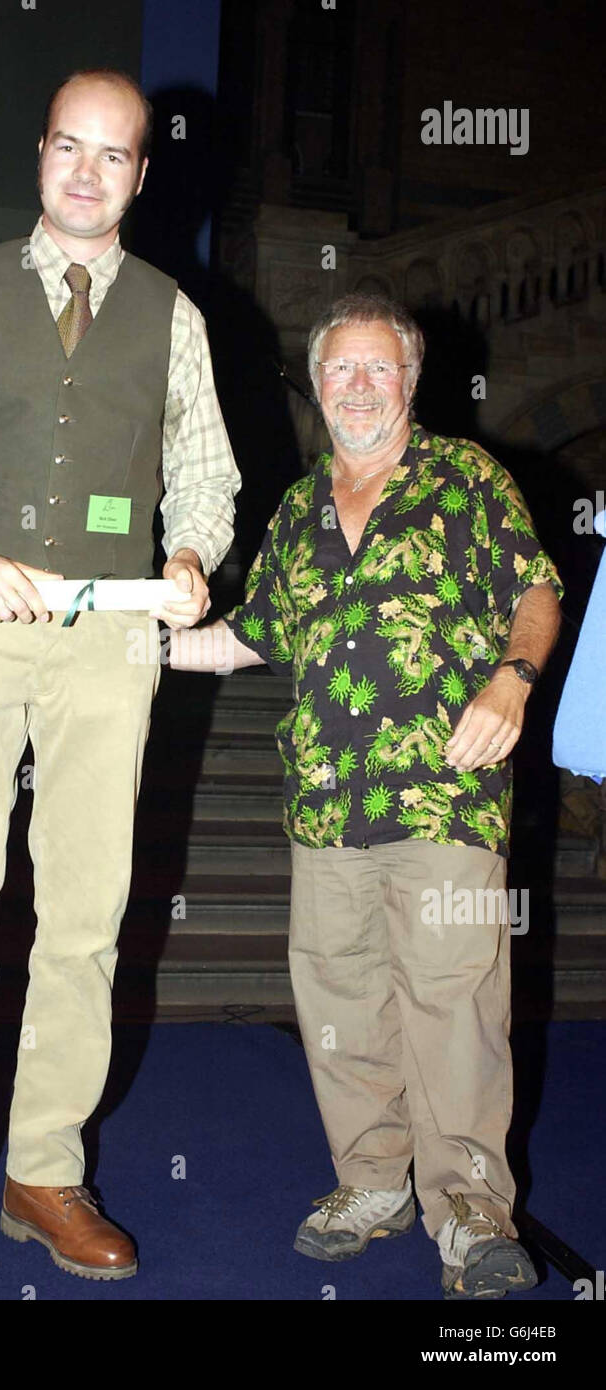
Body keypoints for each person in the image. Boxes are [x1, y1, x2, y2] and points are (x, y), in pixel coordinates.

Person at [0, 67, 240, 1295]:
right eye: (68, 147)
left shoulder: (176, 316)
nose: (87, 171)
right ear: (40, 158)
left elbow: (209, 480)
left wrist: (189, 556)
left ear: (138, 173)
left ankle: (44, 1170)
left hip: (110, 632)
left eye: (113, 155)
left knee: (86, 913)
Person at [170, 292, 563, 1300]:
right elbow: (253, 633)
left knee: (454, 1003)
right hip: (325, 810)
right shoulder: (298, 510)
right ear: (318, 382)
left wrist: (512, 680)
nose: (355, 384)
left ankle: (472, 1211)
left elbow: (535, 590)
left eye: (375, 367)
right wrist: (147, 642)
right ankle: (371, 1183)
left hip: (445, 797)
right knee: (342, 1002)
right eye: (339, 368)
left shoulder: (465, 479)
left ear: (410, 379)